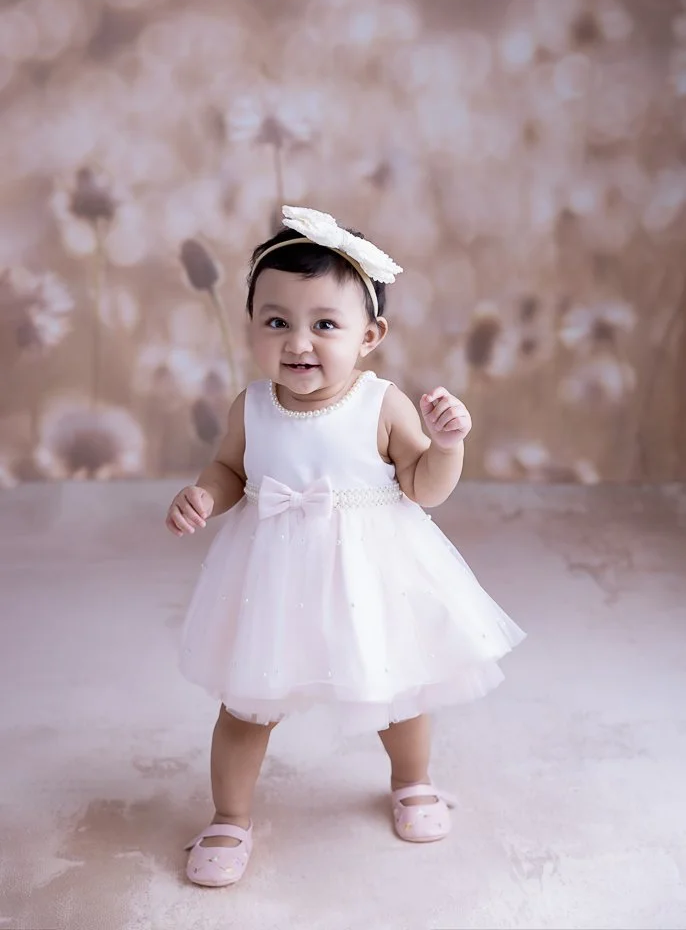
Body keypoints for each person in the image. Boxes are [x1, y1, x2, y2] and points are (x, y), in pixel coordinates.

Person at [166, 206, 525, 887]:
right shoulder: (252, 406)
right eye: (277, 322)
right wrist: (205, 495)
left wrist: (446, 445)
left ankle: (413, 781)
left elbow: (422, 487)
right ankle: (229, 816)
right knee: (247, 703)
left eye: (324, 324)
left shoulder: (380, 403)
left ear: (370, 335)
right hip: (272, 577)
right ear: (253, 329)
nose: (299, 342)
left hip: (370, 573)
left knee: (397, 688)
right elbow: (231, 471)